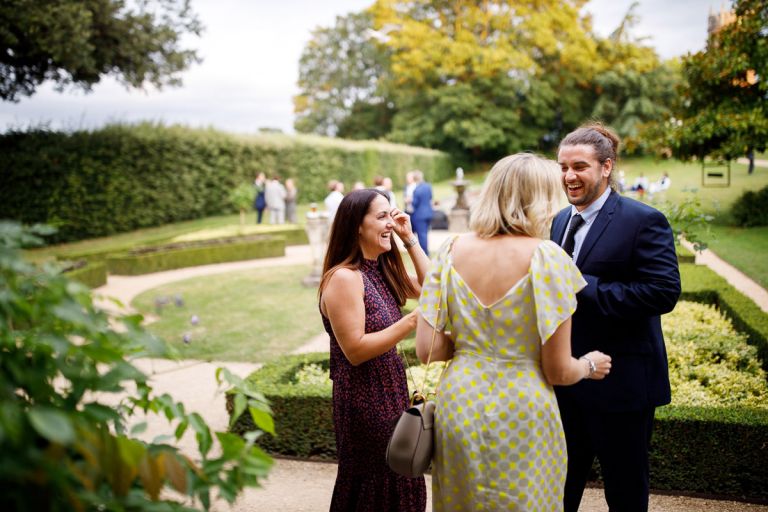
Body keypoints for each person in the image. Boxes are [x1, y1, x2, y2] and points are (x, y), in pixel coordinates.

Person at [415, 153, 612, 511]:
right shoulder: (547, 258)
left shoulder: (449, 251)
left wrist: (475, 339)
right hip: (522, 404)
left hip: (460, 402)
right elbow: (557, 370)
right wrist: (589, 365)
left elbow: (427, 347)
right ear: (542, 198)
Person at [552, 123, 681, 512]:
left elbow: (663, 292)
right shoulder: (559, 220)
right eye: (562, 167)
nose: (569, 176)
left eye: (579, 167)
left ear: (606, 167)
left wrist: (583, 285)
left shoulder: (643, 219)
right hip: (566, 378)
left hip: (621, 382)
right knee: (559, 487)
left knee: (625, 492)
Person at [319, 189, 431, 511]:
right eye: (381, 217)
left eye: (390, 215)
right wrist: (410, 322)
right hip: (364, 402)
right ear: (357, 225)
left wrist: (410, 240)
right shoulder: (344, 277)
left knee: (402, 479)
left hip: (390, 394)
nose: (390, 224)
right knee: (380, 487)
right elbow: (354, 349)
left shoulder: (379, 269)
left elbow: (431, 288)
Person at [410, 170, 433, 254]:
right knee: (425, 234)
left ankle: (424, 253)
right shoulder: (428, 186)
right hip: (429, 213)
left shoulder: (417, 190)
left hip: (419, 215)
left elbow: (414, 204)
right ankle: (426, 252)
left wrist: (410, 201)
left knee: (422, 235)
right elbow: (430, 197)